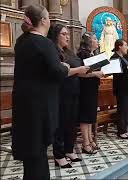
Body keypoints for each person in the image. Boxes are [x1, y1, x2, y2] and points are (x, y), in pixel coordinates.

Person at [12, 5, 69, 180]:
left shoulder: (22, 41)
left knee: (32, 153)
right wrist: (65, 67)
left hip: (24, 103)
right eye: (48, 17)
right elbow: (56, 71)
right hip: (39, 106)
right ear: (43, 20)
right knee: (38, 152)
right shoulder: (44, 43)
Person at [47, 24, 89, 168]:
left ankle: (69, 149)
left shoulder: (69, 52)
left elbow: (73, 69)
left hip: (74, 90)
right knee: (61, 123)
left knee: (71, 123)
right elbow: (60, 71)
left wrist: (86, 70)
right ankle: (59, 155)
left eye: (67, 34)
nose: (67, 36)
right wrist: (77, 69)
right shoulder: (53, 51)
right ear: (55, 35)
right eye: (64, 34)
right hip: (61, 91)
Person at [77, 32, 104, 154]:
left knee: (90, 117)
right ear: (88, 41)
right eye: (94, 39)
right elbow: (81, 73)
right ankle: (85, 143)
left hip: (92, 88)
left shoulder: (92, 54)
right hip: (85, 89)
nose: (97, 41)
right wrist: (95, 73)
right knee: (85, 117)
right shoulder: (83, 54)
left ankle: (90, 139)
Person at [111, 39, 128, 139]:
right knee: (122, 110)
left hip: (127, 88)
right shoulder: (114, 58)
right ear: (119, 47)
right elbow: (116, 72)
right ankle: (121, 131)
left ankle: (125, 129)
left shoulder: (123, 57)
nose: (127, 47)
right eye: (125, 45)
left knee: (126, 110)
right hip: (121, 88)